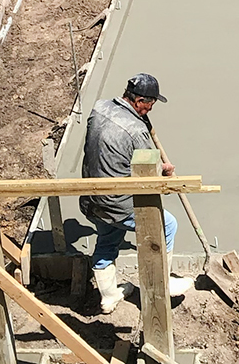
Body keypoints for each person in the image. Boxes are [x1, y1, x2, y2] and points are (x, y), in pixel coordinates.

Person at [80, 73, 194, 312]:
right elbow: (147, 174)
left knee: (107, 239)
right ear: (140, 101)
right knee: (168, 225)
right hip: (118, 202)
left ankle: (109, 296)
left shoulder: (99, 108)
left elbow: (107, 152)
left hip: (92, 198)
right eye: (150, 104)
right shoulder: (136, 130)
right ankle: (161, 286)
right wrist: (164, 175)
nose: (150, 109)